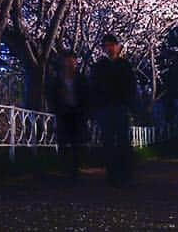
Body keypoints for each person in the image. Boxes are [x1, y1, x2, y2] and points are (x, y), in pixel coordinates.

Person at [88, 32, 137, 186]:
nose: (109, 48)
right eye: (106, 46)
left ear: (117, 47)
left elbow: (131, 87)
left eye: (112, 45)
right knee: (108, 142)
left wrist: (130, 105)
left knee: (124, 141)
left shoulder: (124, 65)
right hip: (106, 108)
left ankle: (125, 175)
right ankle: (112, 175)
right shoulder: (99, 66)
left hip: (121, 107)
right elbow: (94, 88)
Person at [48, 49, 88, 178]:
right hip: (63, 112)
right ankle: (64, 168)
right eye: (67, 61)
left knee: (76, 141)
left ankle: (75, 169)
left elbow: (86, 95)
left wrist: (86, 111)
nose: (69, 64)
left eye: (72, 61)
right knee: (63, 140)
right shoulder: (58, 78)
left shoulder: (81, 78)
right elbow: (52, 94)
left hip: (77, 112)